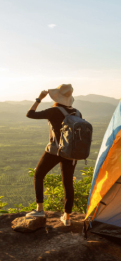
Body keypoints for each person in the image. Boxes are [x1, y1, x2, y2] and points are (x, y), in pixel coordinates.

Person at [25, 84, 80, 226]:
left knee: (39, 175)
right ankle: (67, 218)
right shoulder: (77, 113)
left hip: (55, 151)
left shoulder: (54, 111)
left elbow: (30, 114)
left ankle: (40, 209)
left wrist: (39, 99)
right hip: (72, 153)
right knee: (68, 183)